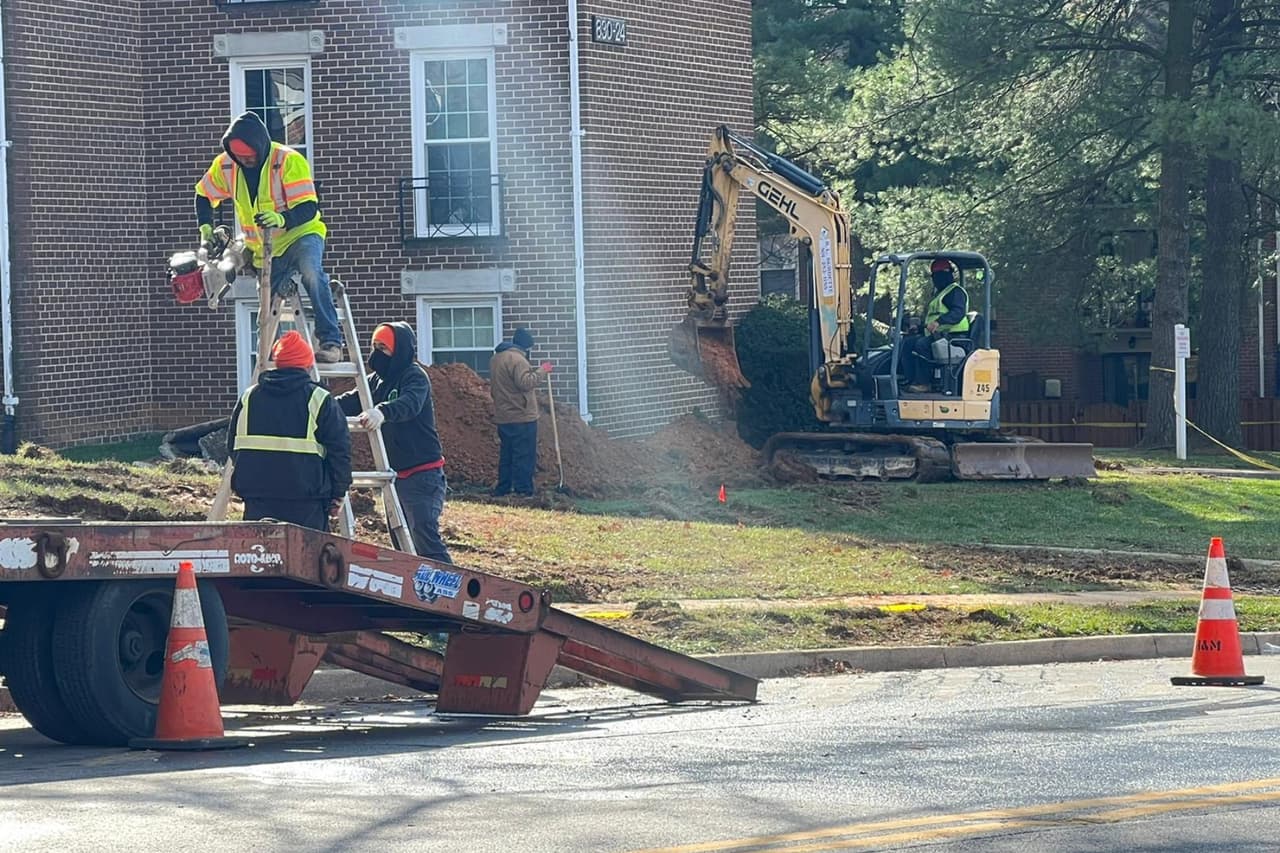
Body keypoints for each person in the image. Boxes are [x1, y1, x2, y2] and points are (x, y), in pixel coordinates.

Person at [194, 111, 345, 364]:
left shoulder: (287, 161)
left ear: (261, 146)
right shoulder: (226, 165)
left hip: (301, 234)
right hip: (265, 248)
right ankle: (269, 358)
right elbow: (202, 194)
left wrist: (282, 218)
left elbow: (309, 208)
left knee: (311, 272)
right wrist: (206, 229)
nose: (245, 160)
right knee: (268, 307)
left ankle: (330, 342)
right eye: (239, 156)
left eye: (249, 154)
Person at [335, 322, 452, 564]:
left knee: (424, 536)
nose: (377, 353)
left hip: (422, 475)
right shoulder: (376, 381)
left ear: (399, 350)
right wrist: (320, 404)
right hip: (395, 477)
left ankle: (449, 590)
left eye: (383, 348)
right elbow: (350, 400)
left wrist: (383, 412)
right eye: (374, 346)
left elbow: (410, 403)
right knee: (401, 541)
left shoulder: (415, 377)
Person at [227, 331, 352, 530]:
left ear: (278, 363)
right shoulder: (319, 399)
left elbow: (233, 446)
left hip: (257, 498)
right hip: (306, 500)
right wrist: (338, 493)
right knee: (306, 559)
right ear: (307, 364)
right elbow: (340, 451)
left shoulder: (249, 397)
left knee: (260, 558)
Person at [489, 327, 551, 497]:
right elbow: (525, 382)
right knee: (524, 455)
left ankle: (503, 488)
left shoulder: (496, 359)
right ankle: (523, 490)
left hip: (503, 415)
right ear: (527, 347)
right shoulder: (518, 360)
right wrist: (541, 371)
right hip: (522, 416)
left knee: (507, 455)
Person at [905, 259, 970, 392]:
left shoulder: (955, 292)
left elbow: (958, 313)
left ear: (945, 275)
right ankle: (910, 379)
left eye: (937, 276)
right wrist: (920, 327)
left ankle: (924, 383)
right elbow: (932, 318)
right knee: (908, 343)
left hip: (955, 338)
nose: (935, 280)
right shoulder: (940, 294)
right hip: (939, 336)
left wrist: (939, 322)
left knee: (922, 345)